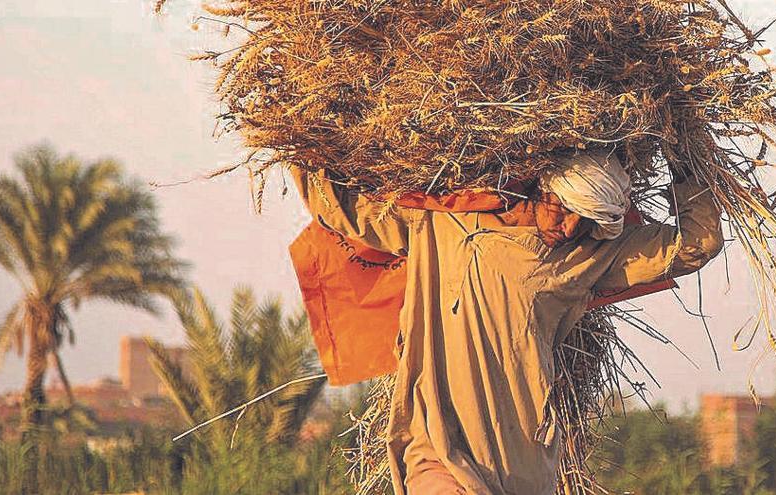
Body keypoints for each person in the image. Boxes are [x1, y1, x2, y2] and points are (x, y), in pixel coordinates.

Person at [291, 148, 724, 495]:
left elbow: (694, 245)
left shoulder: (589, 257)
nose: (571, 227)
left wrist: (684, 156)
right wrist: (302, 135)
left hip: (524, 464)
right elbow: (345, 211)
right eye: (565, 209)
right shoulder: (443, 223)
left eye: (587, 220)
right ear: (542, 186)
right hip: (438, 448)